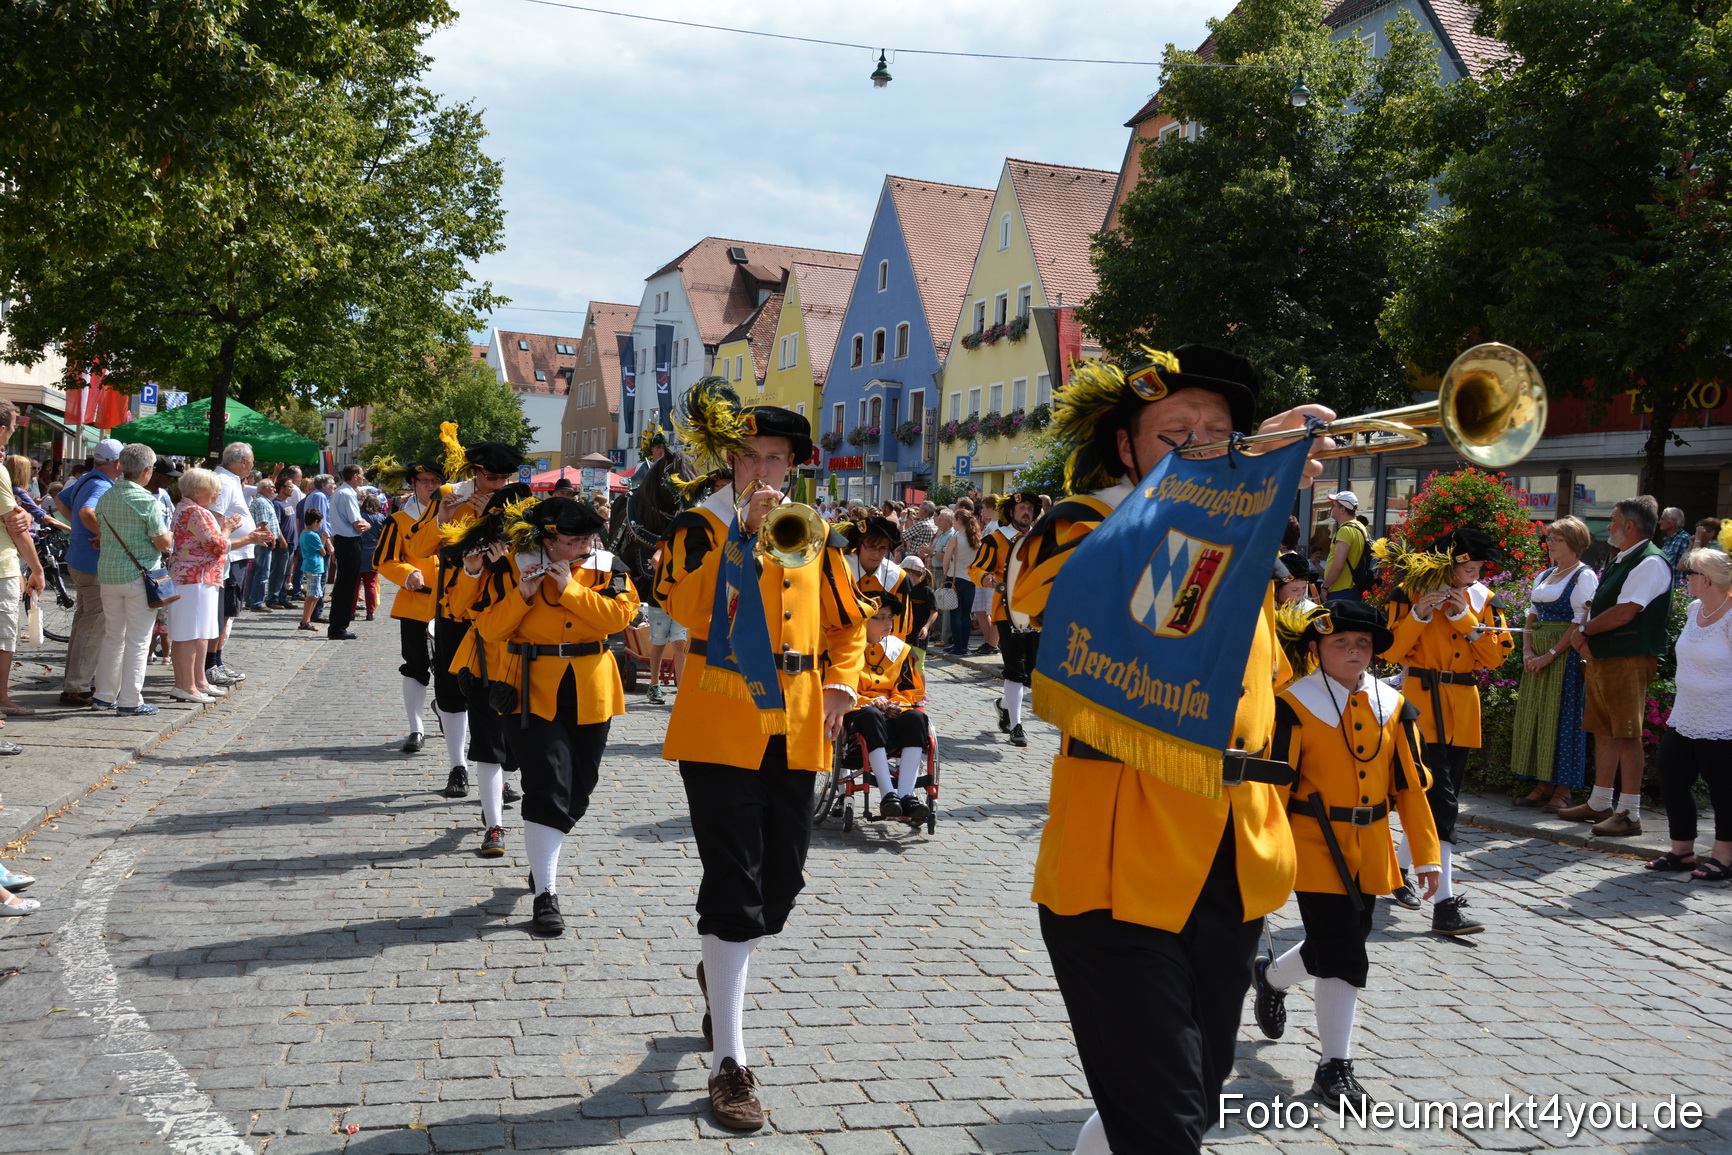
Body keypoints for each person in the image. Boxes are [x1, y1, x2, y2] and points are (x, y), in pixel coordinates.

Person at [1010, 345, 1331, 1155]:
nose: (1199, 444)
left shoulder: (1243, 555)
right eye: (1175, 431)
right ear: (1127, 446)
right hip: (1118, 865)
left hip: (1230, 856)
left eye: (1218, 431)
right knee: (1165, 1122)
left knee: (1178, 1096)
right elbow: (1040, 593)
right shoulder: (1084, 522)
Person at [654, 378, 870, 1132]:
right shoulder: (696, 526)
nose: (761, 471)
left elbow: (849, 626)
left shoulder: (816, 533)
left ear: (794, 467)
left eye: (774, 459)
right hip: (718, 723)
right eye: (748, 457)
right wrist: (740, 537)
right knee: (734, 882)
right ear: (729, 461)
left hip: (799, 726)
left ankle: (721, 968)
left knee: (782, 881)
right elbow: (681, 607)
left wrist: (843, 685)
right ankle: (730, 1065)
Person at [1253, 600, 1440, 1104]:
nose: (1354, 651)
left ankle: (1270, 978)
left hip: (1372, 847)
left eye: (1363, 644)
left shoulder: (1394, 705)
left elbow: (1411, 788)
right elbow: (1271, 788)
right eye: (1341, 643)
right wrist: (1260, 851)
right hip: (1313, 845)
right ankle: (1334, 1067)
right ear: (1315, 650)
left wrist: (1427, 857)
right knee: (1344, 949)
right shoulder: (1292, 704)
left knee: (1337, 944)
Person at [473, 496, 639, 929]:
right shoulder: (511, 566)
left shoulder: (607, 565)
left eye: (588, 537)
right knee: (548, 783)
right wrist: (524, 595)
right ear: (547, 539)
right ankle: (546, 893)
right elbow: (488, 628)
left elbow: (618, 618)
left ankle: (541, 853)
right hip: (530, 686)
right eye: (572, 540)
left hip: (591, 686)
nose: (583, 546)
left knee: (578, 791)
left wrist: (570, 588)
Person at [1380, 528, 1515, 933]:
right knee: (1442, 801)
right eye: (1465, 567)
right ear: (1445, 563)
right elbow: (1387, 650)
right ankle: (1445, 905)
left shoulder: (1485, 599)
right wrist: (1420, 614)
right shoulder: (1407, 592)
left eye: (1477, 568)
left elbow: (1495, 658)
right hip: (1420, 705)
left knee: (1440, 798)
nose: (1472, 574)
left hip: (1461, 708)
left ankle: (1399, 870)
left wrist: (1464, 618)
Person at [404, 432, 525, 799]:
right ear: (476, 471)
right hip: (454, 608)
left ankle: (498, 773)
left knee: (499, 692)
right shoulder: (449, 493)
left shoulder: (515, 499)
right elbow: (419, 547)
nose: (498, 485)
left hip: (499, 608)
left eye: (504, 479)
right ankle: (457, 765)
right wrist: (447, 514)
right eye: (491, 478)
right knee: (454, 691)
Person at [1558, 496, 1672, 837]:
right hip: (1607, 657)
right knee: (1603, 730)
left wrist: (1583, 631)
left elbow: (1626, 611)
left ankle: (1629, 813)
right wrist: (1586, 635)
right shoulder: (1626, 558)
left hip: (1628, 657)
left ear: (1630, 526)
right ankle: (1600, 802)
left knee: (1626, 734)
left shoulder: (1650, 562)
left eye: (1612, 519)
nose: (1608, 526)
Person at [1646, 547, 1732, 879]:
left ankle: (1724, 856)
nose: (1684, 580)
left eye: (1689, 574)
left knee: (1723, 787)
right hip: (1686, 713)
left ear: (1706, 580)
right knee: (1672, 777)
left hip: (1721, 717)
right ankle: (1681, 851)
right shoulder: (1696, 608)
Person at [1510, 517, 1597, 810]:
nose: (1550, 543)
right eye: (1550, 538)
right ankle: (1542, 783)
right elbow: (1532, 614)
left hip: (1566, 655)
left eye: (1557, 539)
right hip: (1537, 651)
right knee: (1538, 716)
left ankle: (1563, 789)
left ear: (1574, 543)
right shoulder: (1545, 574)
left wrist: (1549, 654)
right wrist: (1526, 651)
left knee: (1563, 718)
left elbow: (1579, 621)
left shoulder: (1584, 577)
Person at [91, 443, 172, 716]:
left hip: (109, 574)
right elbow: (163, 542)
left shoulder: (107, 495)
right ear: (147, 471)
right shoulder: (147, 501)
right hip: (139, 576)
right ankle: (130, 700)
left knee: (113, 635)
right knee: (138, 640)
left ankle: (103, 695)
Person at [373, 460, 443, 752]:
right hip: (416, 602)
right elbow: (384, 560)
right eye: (424, 480)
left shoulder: (455, 515)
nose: (430, 485)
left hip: (454, 604)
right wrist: (407, 574)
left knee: (453, 669)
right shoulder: (399, 520)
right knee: (414, 666)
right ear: (413, 483)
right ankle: (416, 728)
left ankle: (446, 706)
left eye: (435, 480)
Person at [845, 590, 932, 819]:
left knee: (916, 718)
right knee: (871, 714)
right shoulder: (847, 649)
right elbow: (841, 687)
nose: (887, 623)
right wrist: (870, 701)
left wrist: (896, 704)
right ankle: (888, 795)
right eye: (880, 617)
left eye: (890, 617)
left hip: (892, 717)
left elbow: (909, 689)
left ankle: (905, 796)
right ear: (864, 619)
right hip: (857, 717)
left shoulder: (901, 651)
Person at [54, 437, 123, 706]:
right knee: (92, 625)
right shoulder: (100, 484)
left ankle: (75, 681)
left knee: (84, 621)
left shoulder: (86, 478)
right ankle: (77, 685)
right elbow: (85, 511)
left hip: (80, 560)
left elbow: (61, 500)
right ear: (118, 464)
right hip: (92, 563)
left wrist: (80, 531)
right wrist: (103, 535)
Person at [971, 491, 1038, 746]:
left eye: (1031, 509)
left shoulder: (1039, 540)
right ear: (1011, 512)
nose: (1027, 512)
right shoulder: (995, 540)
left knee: (1032, 673)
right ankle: (1016, 727)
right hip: (1006, 613)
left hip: (1034, 613)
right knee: (1015, 669)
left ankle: (1003, 705)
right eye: (1022, 508)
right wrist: (986, 578)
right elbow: (975, 568)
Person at [166, 468, 238, 703]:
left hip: (199, 577)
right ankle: (186, 685)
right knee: (189, 633)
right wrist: (227, 530)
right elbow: (217, 545)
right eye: (213, 490)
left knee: (200, 633)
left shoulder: (189, 509)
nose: (217, 494)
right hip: (193, 578)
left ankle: (198, 682)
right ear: (198, 490)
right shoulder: (195, 511)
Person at [210, 443, 274, 686]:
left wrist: (253, 532)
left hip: (237, 554)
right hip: (230, 556)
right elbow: (216, 522)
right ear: (245, 461)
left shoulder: (231, 480)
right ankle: (212, 664)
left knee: (227, 613)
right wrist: (247, 538)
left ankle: (216, 661)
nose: (253, 465)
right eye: (252, 460)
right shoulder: (225, 482)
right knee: (223, 613)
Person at [0, 407, 42, 733]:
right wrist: (37, 568)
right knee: (3, 638)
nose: (13, 433)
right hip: (2, 566)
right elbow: (15, 525)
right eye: (14, 427)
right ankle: (2, 698)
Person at [324, 464, 369, 639]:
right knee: (346, 586)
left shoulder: (342, 492)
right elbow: (358, 525)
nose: (363, 478)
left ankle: (339, 624)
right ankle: (338, 627)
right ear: (355, 476)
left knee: (345, 585)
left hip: (344, 541)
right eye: (362, 475)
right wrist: (369, 524)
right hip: (349, 542)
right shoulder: (347, 494)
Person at [1320, 490, 1371, 602]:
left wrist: (1325, 587)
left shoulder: (1345, 530)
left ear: (1342, 510)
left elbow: (1338, 565)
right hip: (1354, 590)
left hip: (1341, 591)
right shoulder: (1361, 528)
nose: (1331, 509)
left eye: (1334, 506)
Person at [942, 508, 980, 657]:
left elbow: (946, 561)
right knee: (966, 614)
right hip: (970, 579)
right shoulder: (976, 538)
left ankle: (957, 647)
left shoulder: (956, 538)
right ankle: (965, 647)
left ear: (958, 520)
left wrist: (946, 574)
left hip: (954, 578)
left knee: (955, 614)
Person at [244, 478, 282, 611]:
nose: (274, 489)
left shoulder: (264, 501)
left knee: (256, 571)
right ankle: (257, 602)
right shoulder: (261, 502)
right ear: (263, 489)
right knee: (262, 572)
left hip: (261, 540)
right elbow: (262, 523)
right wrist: (272, 538)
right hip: (263, 541)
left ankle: (251, 600)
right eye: (271, 487)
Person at [899, 555, 938, 673]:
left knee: (918, 668)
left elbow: (934, 612)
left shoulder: (926, 590)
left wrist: (926, 627)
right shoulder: (904, 589)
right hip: (903, 635)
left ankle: (922, 691)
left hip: (918, 636)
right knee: (903, 667)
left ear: (909, 573)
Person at [297, 510, 330, 631]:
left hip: (310, 565)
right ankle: (305, 620)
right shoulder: (312, 535)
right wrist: (324, 540)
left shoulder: (304, 533)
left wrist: (322, 539)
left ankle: (307, 619)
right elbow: (323, 552)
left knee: (316, 594)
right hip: (314, 566)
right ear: (316, 522)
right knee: (312, 595)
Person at [356, 494, 386, 620]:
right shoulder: (381, 518)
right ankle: (370, 612)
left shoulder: (358, 517)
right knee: (371, 584)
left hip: (358, 551)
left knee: (355, 584)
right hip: (373, 553)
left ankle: (351, 611)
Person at [1657, 506, 1691, 570]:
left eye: (1662, 519)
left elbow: (1685, 566)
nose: (1659, 522)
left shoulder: (1684, 539)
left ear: (1672, 521)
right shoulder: (1668, 540)